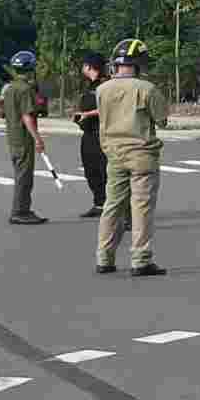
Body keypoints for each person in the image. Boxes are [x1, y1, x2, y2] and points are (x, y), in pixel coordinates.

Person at [95, 37, 171, 278]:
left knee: (112, 206)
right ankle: (141, 259)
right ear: (139, 63)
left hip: (113, 154)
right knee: (141, 208)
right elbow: (162, 119)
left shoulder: (101, 89)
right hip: (141, 156)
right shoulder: (146, 88)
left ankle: (104, 258)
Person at [0, 50, 46, 225]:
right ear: (30, 69)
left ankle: (23, 209)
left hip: (13, 138)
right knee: (24, 177)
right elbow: (27, 116)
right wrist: (37, 139)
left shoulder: (10, 88)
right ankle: (20, 211)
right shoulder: (25, 89)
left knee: (21, 175)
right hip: (23, 138)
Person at [72, 53, 109, 218]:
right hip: (88, 134)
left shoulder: (106, 84)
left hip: (102, 134)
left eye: (84, 65)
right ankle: (99, 204)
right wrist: (79, 116)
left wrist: (88, 114)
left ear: (89, 66)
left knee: (104, 171)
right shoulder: (89, 85)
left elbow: (109, 108)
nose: (82, 68)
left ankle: (111, 206)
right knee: (91, 170)